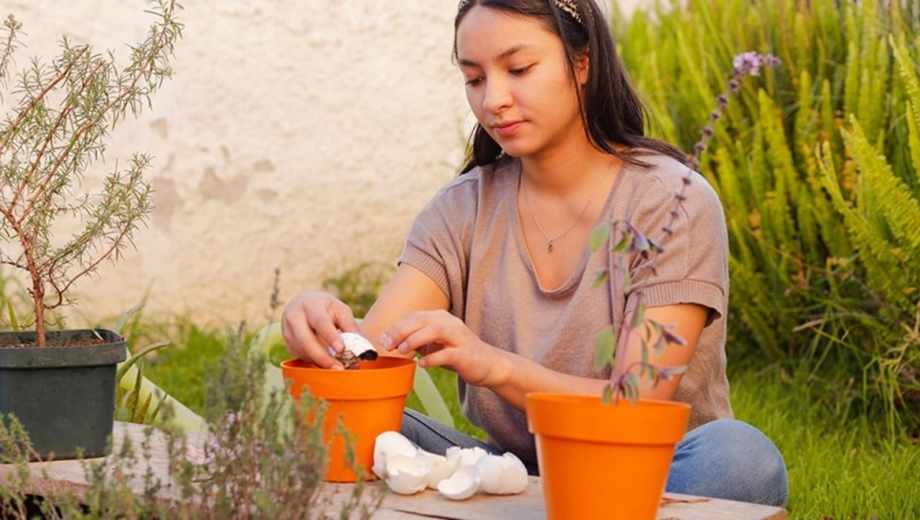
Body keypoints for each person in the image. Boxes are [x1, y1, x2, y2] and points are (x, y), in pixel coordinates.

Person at [282, 0, 788, 507]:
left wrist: (491, 366)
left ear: (582, 62)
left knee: (741, 460)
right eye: (475, 78)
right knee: (334, 430)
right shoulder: (461, 211)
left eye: (519, 69)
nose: (494, 99)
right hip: (513, 471)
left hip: (650, 469)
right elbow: (366, 366)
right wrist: (324, 336)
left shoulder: (672, 202)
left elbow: (635, 405)